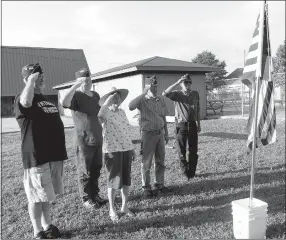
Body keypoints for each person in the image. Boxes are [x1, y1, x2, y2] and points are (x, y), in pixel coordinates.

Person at [14, 63, 68, 239]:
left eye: (41, 74)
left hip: (52, 156)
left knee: (45, 195)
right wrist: (31, 81)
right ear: (26, 79)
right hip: (37, 156)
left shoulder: (44, 98)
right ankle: (37, 231)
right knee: (36, 197)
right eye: (35, 75)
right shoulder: (22, 98)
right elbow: (26, 102)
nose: (40, 77)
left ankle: (48, 226)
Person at [59, 68, 107, 209]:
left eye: (89, 80)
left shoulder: (95, 95)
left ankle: (95, 194)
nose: (87, 83)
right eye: (84, 81)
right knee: (85, 171)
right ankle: (86, 198)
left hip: (98, 138)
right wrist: (75, 85)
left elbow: (98, 113)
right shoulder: (75, 95)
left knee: (96, 169)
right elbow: (64, 103)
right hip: (84, 140)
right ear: (79, 82)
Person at [98, 87, 136, 222]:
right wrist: (107, 102)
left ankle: (125, 207)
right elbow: (99, 116)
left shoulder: (122, 112)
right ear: (109, 99)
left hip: (126, 149)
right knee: (113, 181)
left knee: (126, 179)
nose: (116, 99)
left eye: (118, 97)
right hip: (112, 151)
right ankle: (112, 209)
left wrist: (131, 148)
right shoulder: (105, 113)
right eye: (113, 96)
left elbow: (126, 130)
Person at [129, 75, 169, 198]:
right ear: (147, 86)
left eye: (156, 85)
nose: (154, 88)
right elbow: (131, 106)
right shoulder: (142, 100)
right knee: (146, 163)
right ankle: (146, 188)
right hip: (148, 134)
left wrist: (166, 132)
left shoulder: (161, 99)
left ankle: (159, 184)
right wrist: (144, 92)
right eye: (152, 85)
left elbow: (163, 116)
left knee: (160, 161)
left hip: (160, 133)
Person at [162, 74, 201, 180]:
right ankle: (185, 172)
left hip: (192, 124)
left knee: (193, 150)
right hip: (181, 125)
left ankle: (192, 172)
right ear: (181, 84)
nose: (187, 84)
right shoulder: (177, 94)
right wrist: (177, 82)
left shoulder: (195, 94)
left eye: (189, 82)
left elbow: (197, 110)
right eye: (185, 83)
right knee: (181, 151)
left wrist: (199, 124)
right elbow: (165, 93)